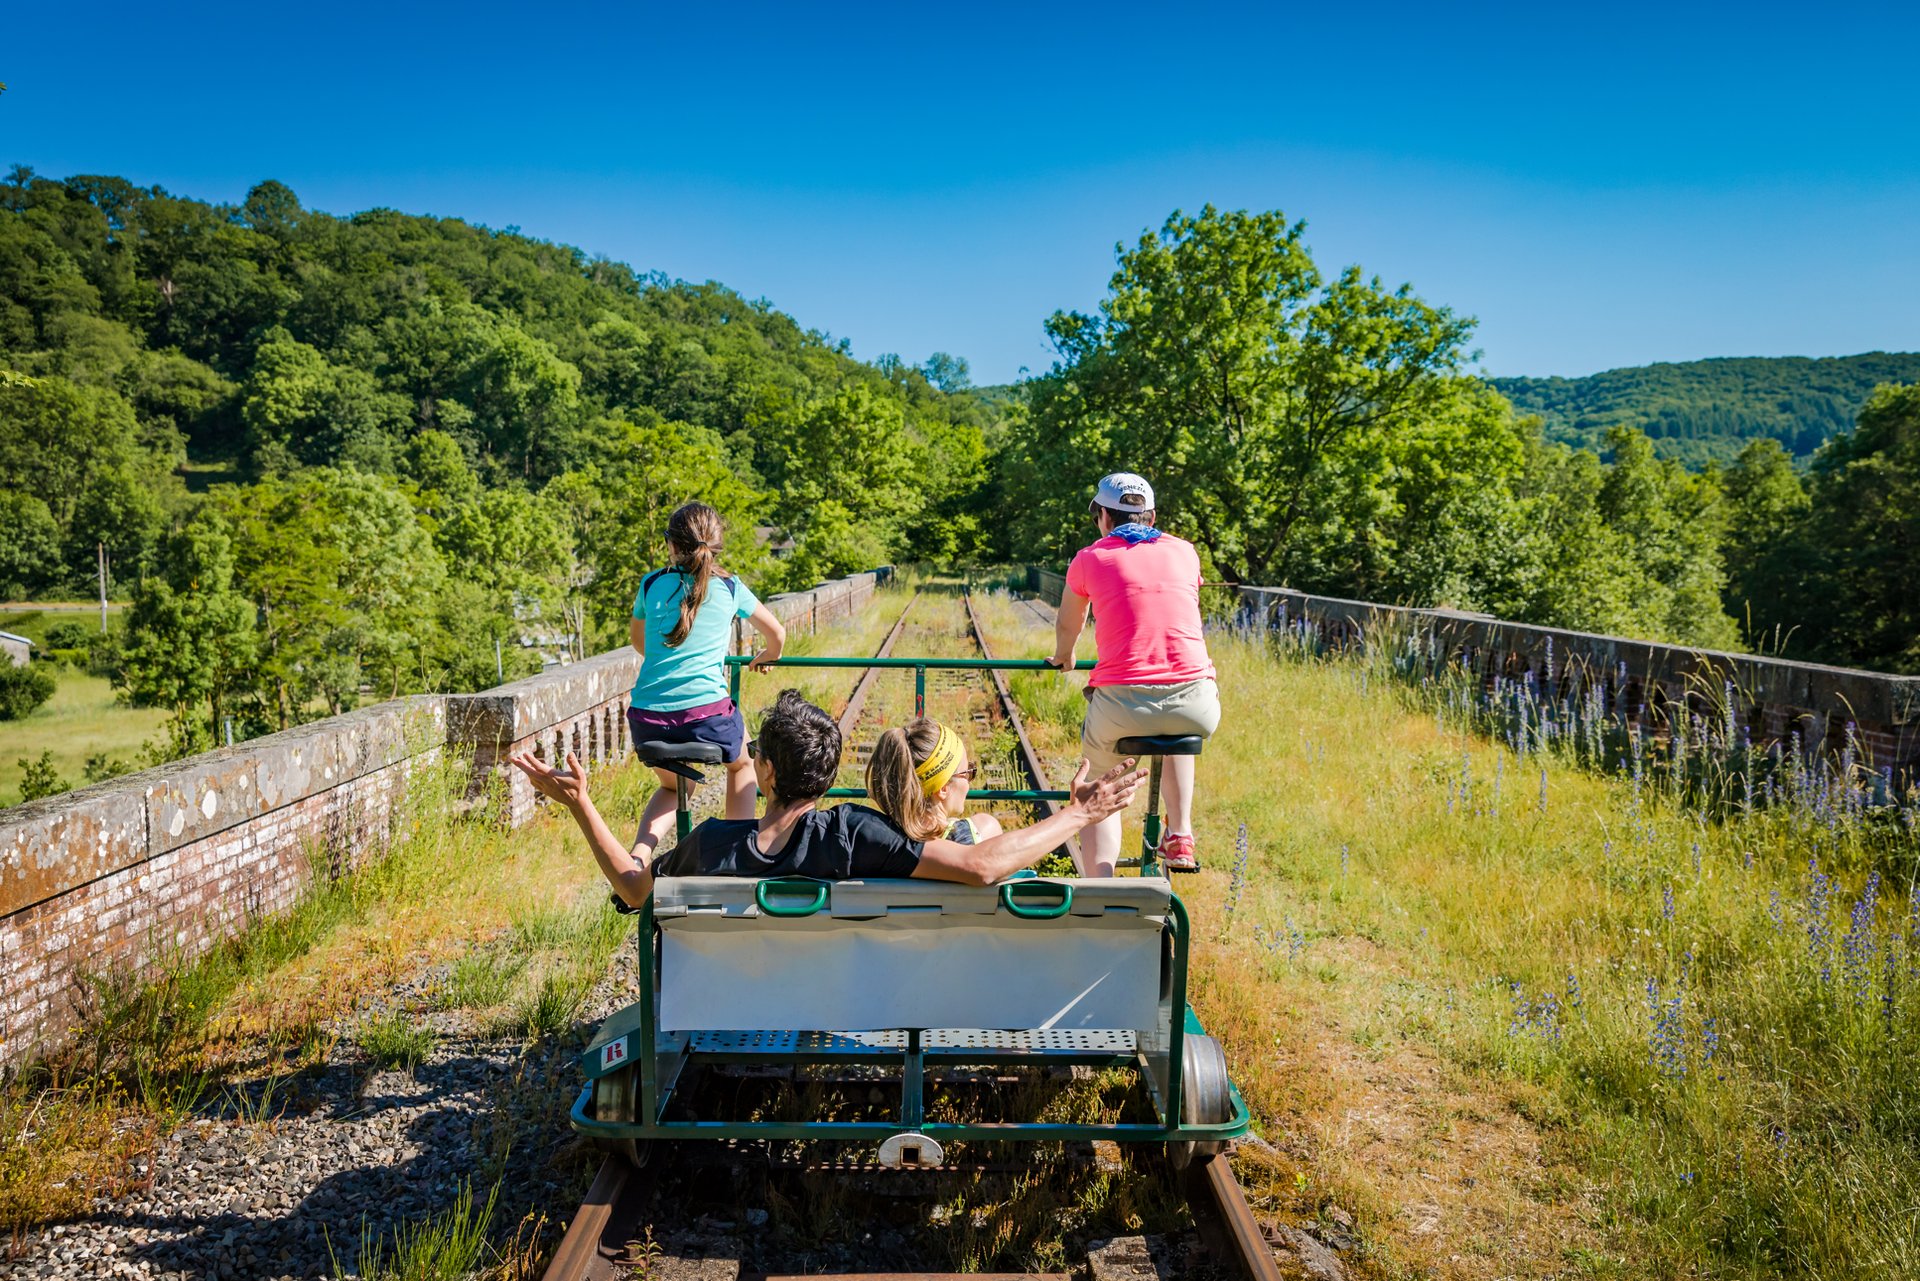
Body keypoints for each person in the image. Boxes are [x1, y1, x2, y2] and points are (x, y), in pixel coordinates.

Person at [509, 690, 1144, 908]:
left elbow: (632, 887)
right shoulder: (856, 834)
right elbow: (978, 866)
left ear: (764, 769)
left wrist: (580, 805)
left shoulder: (710, 844)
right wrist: (1079, 812)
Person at [1045, 472, 1218, 875]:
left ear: (1103, 517)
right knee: (1175, 731)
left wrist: (1064, 656)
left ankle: (1102, 887)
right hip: (1197, 701)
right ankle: (1181, 835)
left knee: (1099, 783)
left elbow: (1070, 624)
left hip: (1123, 703)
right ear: (1152, 516)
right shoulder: (1186, 552)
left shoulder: (1090, 557)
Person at [627, 501, 786, 856]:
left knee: (674, 787)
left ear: (671, 544)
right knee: (744, 763)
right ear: (717, 544)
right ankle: (735, 851)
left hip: (646, 718)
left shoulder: (650, 584)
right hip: (707, 716)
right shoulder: (730, 587)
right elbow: (777, 634)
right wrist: (766, 656)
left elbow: (640, 643)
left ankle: (639, 855)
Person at [865, 718, 1005, 845]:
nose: (969, 782)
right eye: (968, 772)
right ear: (943, 788)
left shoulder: (879, 840)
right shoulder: (983, 831)